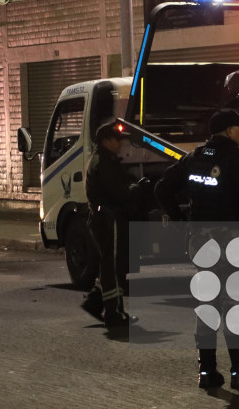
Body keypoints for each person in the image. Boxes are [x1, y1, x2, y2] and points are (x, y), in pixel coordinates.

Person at [155, 108, 239, 390]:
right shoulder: (237, 159)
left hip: (200, 240)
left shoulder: (194, 158)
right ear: (229, 131)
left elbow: (162, 188)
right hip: (231, 240)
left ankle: (207, 372)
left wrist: (181, 222)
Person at [80, 120, 141, 329]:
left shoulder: (104, 159)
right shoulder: (103, 162)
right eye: (118, 140)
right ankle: (113, 314)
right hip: (107, 218)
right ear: (106, 141)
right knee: (113, 266)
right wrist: (136, 189)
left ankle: (104, 306)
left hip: (104, 218)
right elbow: (118, 192)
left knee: (113, 264)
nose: (121, 144)